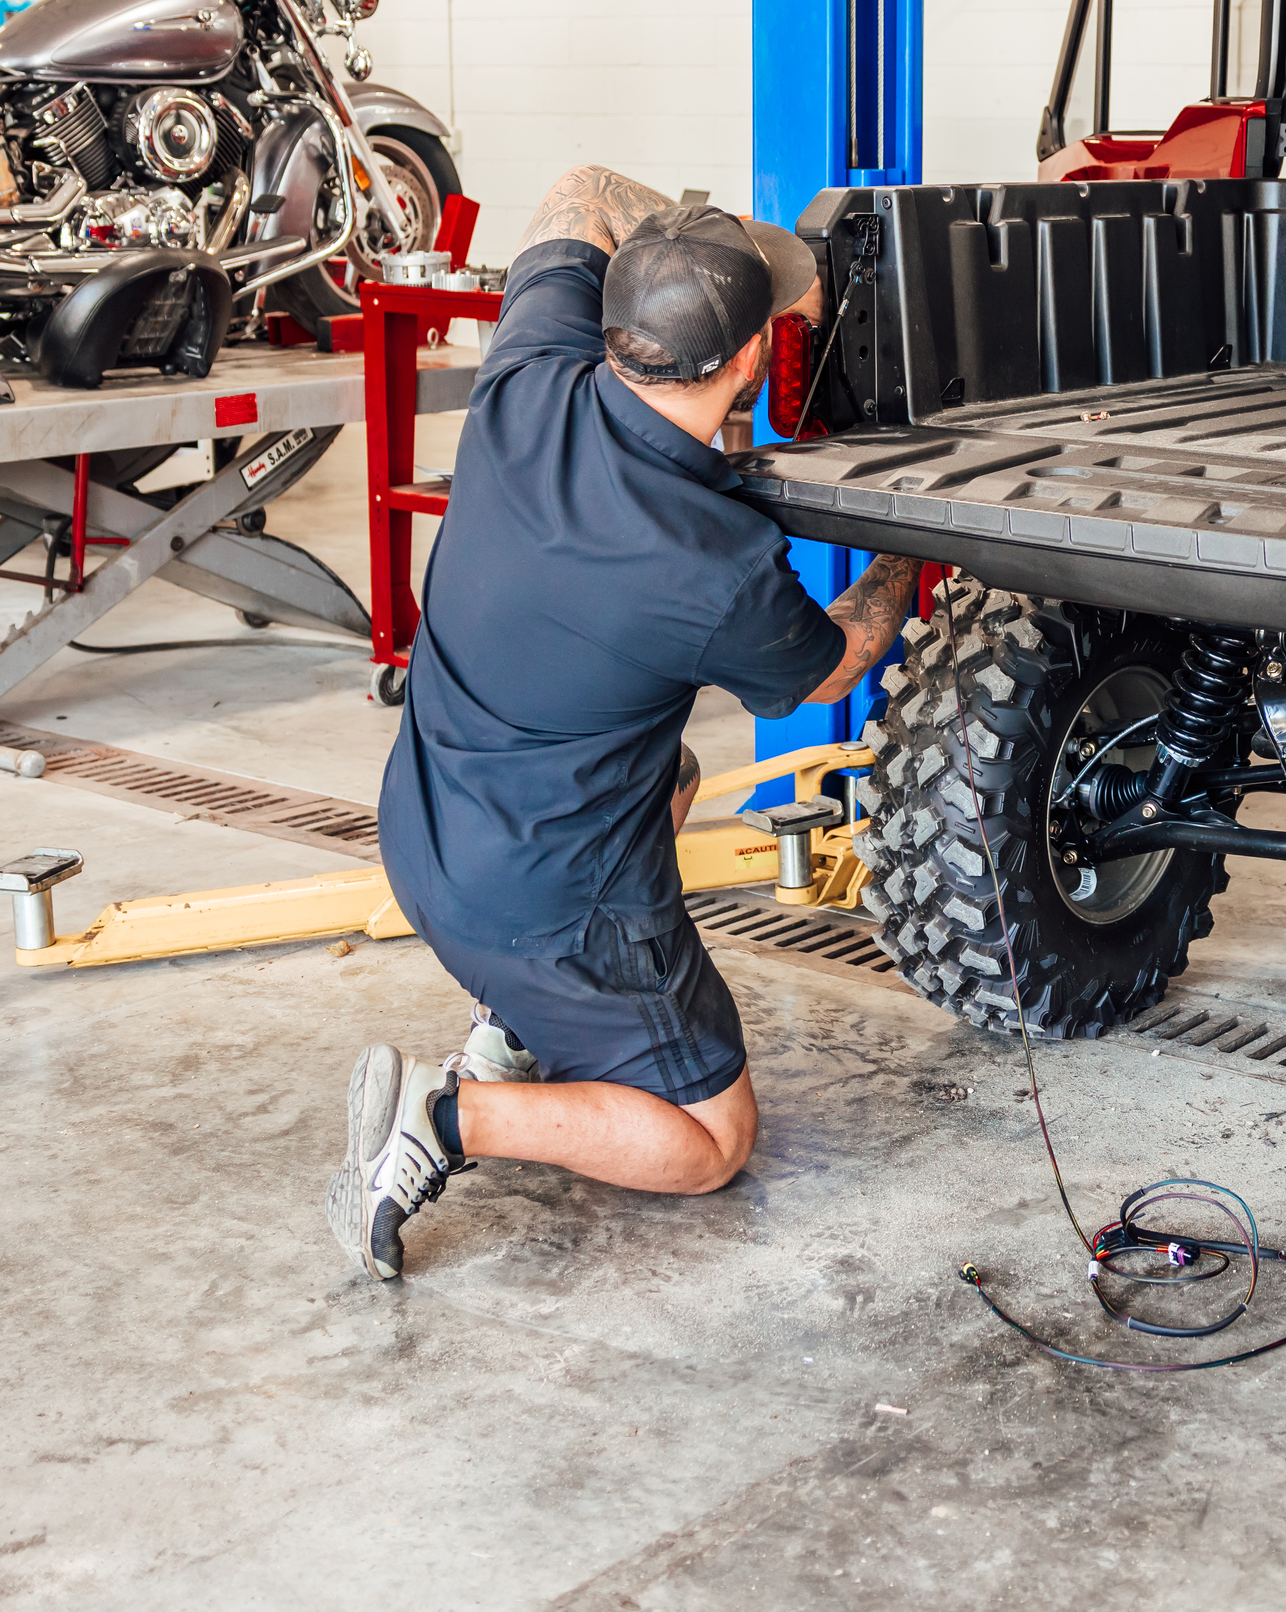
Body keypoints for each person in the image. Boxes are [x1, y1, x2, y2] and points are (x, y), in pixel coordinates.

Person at [330, 165, 921, 1280]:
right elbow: (831, 663)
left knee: (673, 769)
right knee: (712, 1142)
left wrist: (704, 251)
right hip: (542, 908)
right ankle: (447, 1114)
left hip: (422, 828)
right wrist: (913, 543)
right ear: (749, 359)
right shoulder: (718, 570)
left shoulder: (529, 377)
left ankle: (523, 1022)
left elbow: (576, 190)